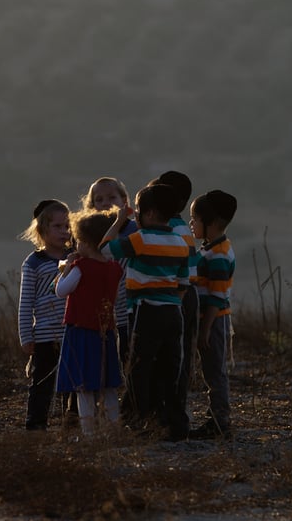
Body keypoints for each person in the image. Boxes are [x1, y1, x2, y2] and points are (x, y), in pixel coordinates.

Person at [101, 182, 191, 441]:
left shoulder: (139, 239)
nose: (135, 215)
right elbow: (183, 284)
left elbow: (105, 250)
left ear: (149, 213)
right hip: (174, 314)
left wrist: (118, 222)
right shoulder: (180, 242)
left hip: (145, 311)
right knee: (169, 369)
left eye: (138, 210)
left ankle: (138, 423)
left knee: (138, 368)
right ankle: (174, 424)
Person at [54, 208, 125, 436]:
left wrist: (65, 270)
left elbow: (60, 291)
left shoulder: (81, 268)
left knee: (83, 386)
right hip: (105, 332)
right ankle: (114, 428)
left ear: (86, 242)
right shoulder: (114, 268)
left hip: (80, 332)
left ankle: (89, 434)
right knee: (108, 384)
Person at [188, 189, 238, 439]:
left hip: (214, 320)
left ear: (210, 222)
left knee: (214, 372)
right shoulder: (212, 249)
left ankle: (219, 421)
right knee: (212, 370)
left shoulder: (217, 255)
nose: (191, 224)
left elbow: (217, 298)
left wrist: (204, 329)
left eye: (194, 219)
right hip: (212, 319)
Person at [17, 198, 71, 431]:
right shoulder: (33, 263)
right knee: (42, 382)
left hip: (71, 329)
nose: (64, 231)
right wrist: (26, 336)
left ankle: (71, 421)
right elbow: (26, 301)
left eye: (67, 226)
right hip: (45, 335)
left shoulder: (75, 257)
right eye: (57, 227)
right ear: (42, 230)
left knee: (70, 380)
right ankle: (36, 424)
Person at [149, 171, 198, 427]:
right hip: (186, 293)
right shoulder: (180, 227)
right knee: (180, 357)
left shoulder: (169, 229)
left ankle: (167, 416)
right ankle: (175, 414)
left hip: (174, 295)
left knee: (166, 358)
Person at [80, 176, 136, 367]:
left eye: (112, 198)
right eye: (99, 199)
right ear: (91, 205)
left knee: (131, 359)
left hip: (129, 308)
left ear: (124, 201)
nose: (106, 203)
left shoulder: (134, 231)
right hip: (98, 315)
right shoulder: (87, 238)